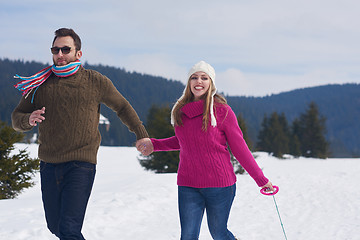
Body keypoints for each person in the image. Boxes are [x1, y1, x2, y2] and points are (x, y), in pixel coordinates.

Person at [12, 28, 149, 240]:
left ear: (78, 53)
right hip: (48, 164)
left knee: (69, 229)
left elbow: (122, 107)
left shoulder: (95, 81)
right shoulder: (41, 84)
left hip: (81, 164)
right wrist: (27, 120)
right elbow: (16, 117)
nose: (59, 54)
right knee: (55, 226)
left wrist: (140, 133)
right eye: (55, 49)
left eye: (65, 49)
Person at [137, 60, 275, 240]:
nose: (198, 81)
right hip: (188, 185)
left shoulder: (222, 111)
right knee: (187, 236)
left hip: (220, 185)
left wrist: (261, 179)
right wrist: (155, 144)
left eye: (204, 77)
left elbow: (240, 149)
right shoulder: (180, 111)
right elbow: (185, 141)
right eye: (194, 77)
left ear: (211, 83)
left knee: (218, 233)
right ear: (189, 83)